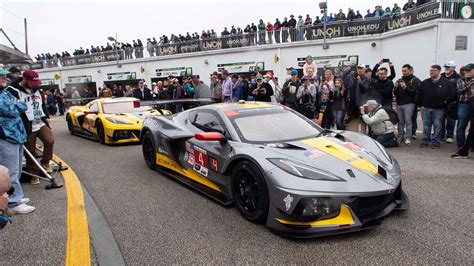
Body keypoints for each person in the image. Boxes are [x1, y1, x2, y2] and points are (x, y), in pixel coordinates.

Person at [0, 68, 35, 214]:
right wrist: (18, 105)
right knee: (11, 172)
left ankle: (15, 197)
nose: (4, 78)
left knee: (17, 169)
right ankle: (13, 203)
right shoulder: (3, 95)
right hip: (6, 137)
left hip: (16, 136)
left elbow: (20, 104)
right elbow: (13, 109)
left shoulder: (5, 92)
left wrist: (18, 105)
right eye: (1, 76)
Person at [418, 65, 456, 148]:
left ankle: (436, 142)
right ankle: (425, 140)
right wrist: (420, 105)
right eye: (430, 70)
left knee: (437, 125)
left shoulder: (446, 82)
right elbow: (419, 94)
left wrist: (445, 102)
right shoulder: (425, 82)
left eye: (433, 70)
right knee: (426, 125)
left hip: (439, 108)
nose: (431, 72)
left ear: (438, 71)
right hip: (426, 108)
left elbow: (452, 94)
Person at [394, 64, 421, 145]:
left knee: (408, 121)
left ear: (410, 70)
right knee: (400, 121)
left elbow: (414, 92)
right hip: (399, 103)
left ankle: (407, 137)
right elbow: (396, 93)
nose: (403, 72)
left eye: (405, 71)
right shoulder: (400, 79)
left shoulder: (415, 80)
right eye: (402, 71)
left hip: (409, 103)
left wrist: (405, 87)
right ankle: (400, 136)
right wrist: (395, 87)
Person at [454, 63, 474, 149]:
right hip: (464, 104)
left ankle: (472, 146)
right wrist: (471, 82)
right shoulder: (461, 79)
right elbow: (460, 90)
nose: (466, 72)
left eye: (469, 70)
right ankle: (461, 146)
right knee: (461, 126)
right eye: (465, 70)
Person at [441, 61, 461, 143]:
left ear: (453, 68)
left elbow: (458, 90)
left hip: (452, 102)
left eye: (448, 67)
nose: (447, 69)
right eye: (445, 67)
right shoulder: (441, 76)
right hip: (441, 102)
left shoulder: (458, 77)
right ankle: (441, 135)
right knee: (440, 119)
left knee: (450, 120)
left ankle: (449, 136)